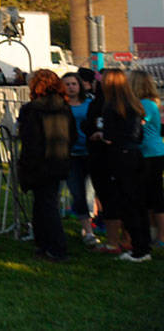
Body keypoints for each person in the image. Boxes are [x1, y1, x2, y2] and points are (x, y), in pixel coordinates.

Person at [84, 69, 150, 261]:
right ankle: (142, 245)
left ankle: (139, 249)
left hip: (120, 157)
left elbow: (111, 136)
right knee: (137, 203)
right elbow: (138, 134)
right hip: (135, 154)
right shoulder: (134, 104)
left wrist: (102, 135)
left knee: (128, 203)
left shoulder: (112, 106)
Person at [17, 69, 77, 262]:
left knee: (45, 205)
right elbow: (73, 136)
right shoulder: (65, 108)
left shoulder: (31, 110)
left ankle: (56, 247)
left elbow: (30, 140)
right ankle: (44, 244)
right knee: (45, 204)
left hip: (39, 163)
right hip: (58, 160)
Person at [128, 70, 164, 247]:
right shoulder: (150, 103)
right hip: (152, 151)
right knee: (149, 195)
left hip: (150, 153)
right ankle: (152, 232)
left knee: (155, 196)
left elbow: (139, 124)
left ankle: (161, 236)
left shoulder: (145, 105)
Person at [61, 71, 97, 246]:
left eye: (74, 84)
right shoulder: (61, 105)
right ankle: (87, 230)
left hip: (90, 152)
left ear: (80, 85)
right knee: (77, 193)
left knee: (91, 192)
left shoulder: (90, 103)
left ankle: (90, 226)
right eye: (67, 84)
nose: (71, 87)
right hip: (71, 154)